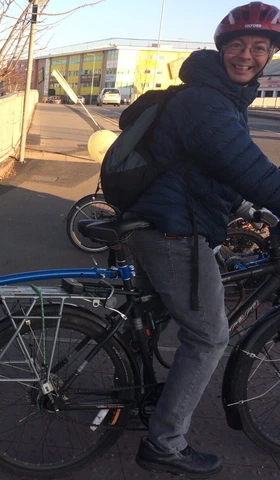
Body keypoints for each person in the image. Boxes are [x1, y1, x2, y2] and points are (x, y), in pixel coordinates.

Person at [124, 2, 280, 477]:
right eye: (238, 45)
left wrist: (248, 209)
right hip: (174, 231)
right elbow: (249, 169)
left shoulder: (221, 98)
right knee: (210, 337)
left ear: (270, 55)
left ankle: (135, 389)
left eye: (260, 47)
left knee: (164, 317)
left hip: (168, 221)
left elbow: (216, 172)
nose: (247, 55)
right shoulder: (205, 102)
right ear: (222, 49)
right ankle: (165, 443)